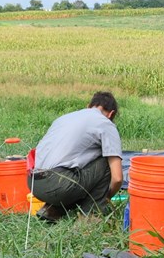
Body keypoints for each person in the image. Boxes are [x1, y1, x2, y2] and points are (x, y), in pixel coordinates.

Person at [30, 91, 125, 222]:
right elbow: (118, 178)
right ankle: (91, 217)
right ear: (111, 114)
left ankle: (52, 210)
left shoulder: (64, 118)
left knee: (77, 174)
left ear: (88, 106)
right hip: (58, 184)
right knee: (106, 161)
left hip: (34, 184)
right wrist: (105, 196)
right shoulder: (105, 123)